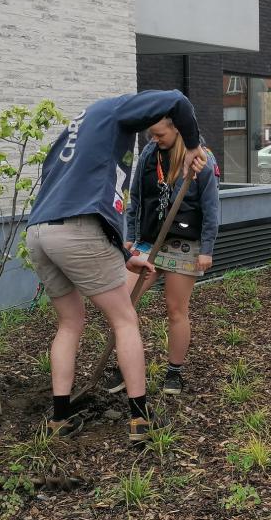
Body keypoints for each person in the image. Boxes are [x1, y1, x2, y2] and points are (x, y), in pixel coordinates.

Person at [25, 89, 207, 443]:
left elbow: (70, 196)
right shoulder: (114, 109)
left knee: (70, 322)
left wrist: (124, 257)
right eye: (149, 129)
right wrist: (194, 145)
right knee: (125, 320)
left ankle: (60, 418)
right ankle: (140, 420)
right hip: (79, 230)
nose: (151, 135)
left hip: (39, 232)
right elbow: (178, 100)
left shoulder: (76, 132)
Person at [123, 118, 220, 396]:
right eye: (151, 135)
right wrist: (131, 235)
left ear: (177, 128)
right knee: (122, 303)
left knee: (176, 309)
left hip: (185, 244)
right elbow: (137, 198)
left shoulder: (202, 157)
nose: (154, 139)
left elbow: (211, 207)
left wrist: (207, 249)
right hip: (149, 241)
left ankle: (174, 371)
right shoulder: (148, 154)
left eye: (159, 134)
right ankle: (126, 365)